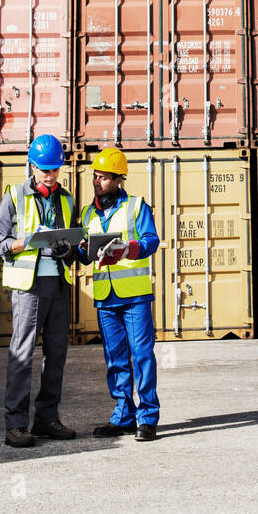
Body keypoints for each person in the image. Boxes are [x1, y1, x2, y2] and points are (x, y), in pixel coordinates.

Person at [0, 134, 79, 449]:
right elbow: (0, 244)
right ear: (32, 165)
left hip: (58, 283)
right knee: (22, 354)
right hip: (28, 288)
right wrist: (28, 241)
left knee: (56, 354)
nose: (50, 174)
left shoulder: (68, 200)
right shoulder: (14, 196)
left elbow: (71, 247)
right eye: (44, 169)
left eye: (55, 168)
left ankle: (46, 419)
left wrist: (70, 247)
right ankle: (15, 425)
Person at [77, 148, 161, 441]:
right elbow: (85, 254)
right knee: (115, 360)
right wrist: (74, 249)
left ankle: (147, 417)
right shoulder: (88, 213)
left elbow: (152, 241)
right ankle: (123, 415)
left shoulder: (137, 207)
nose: (96, 181)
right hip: (106, 299)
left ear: (118, 180)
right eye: (95, 176)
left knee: (142, 357)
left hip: (135, 298)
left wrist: (128, 248)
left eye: (102, 177)